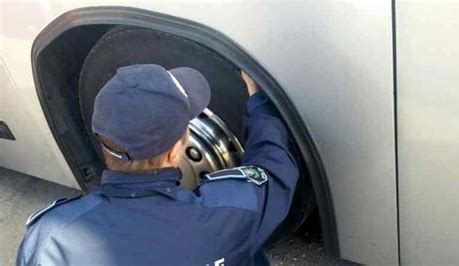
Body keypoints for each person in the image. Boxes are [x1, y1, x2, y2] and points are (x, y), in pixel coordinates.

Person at [16, 64, 299, 266]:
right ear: (176, 150)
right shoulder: (226, 213)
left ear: (103, 141)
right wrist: (259, 103)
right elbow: (276, 169)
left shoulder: (48, 237)